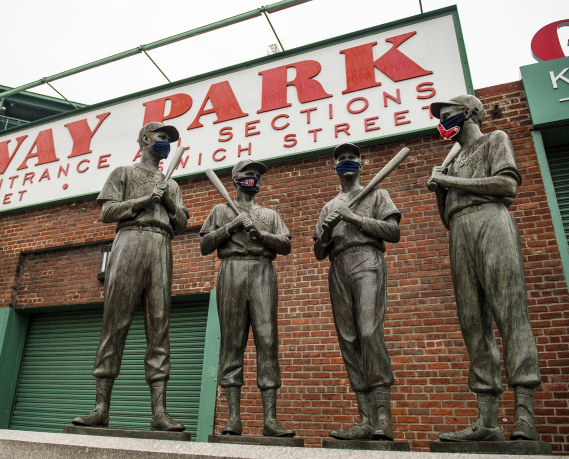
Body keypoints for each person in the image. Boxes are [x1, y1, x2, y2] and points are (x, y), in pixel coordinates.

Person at [427, 95, 541, 442]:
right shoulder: (452, 159)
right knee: (472, 321)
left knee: (510, 313)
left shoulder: (496, 140)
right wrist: (439, 186)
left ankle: (524, 415)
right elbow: (447, 216)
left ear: (469, 113)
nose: (443, 121)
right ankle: (486, 420)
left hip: (492, 220)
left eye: (448, 115)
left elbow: (507, 186)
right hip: (460, 229)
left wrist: (450, 183)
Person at [72, 121, 189, 432]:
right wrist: (143, 199)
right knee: (115, 322)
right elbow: (106, 213)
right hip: (128, 241)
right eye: (160, 137)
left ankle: (159, 412)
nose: (164, 142)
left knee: (159, 325)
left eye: (168, 139)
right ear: (144, 139)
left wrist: (164, 199)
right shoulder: (123, 172)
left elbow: (181, 224)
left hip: (160, 243)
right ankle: (100, 408)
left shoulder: (172, 185)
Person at [199, 159, 295, 438]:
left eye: (257, 175)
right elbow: (205, 245)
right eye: (248, 174)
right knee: (232, 341)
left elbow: (286, 245)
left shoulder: (270, 213)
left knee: (267, 340)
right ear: (236, 179)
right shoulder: (220, 210)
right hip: (231, 270)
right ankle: (233, 419)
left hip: (263, 271)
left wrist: (260, 233)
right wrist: (230, 227)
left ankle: (270, 419)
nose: (254, 178)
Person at [313, 143, 401, 441]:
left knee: (368, 331)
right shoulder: (329, 205)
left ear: (361, 164)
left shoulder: (378, 194)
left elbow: (394, 233)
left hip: (367, 260)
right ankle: (365, 419)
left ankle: (383, 419)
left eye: (352, 157)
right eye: (341, 159)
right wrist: (325, 231)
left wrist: (353, 218)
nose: (347, 161)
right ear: (335, 167)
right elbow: (318, 252)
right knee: (349, 339)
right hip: (338, 264)